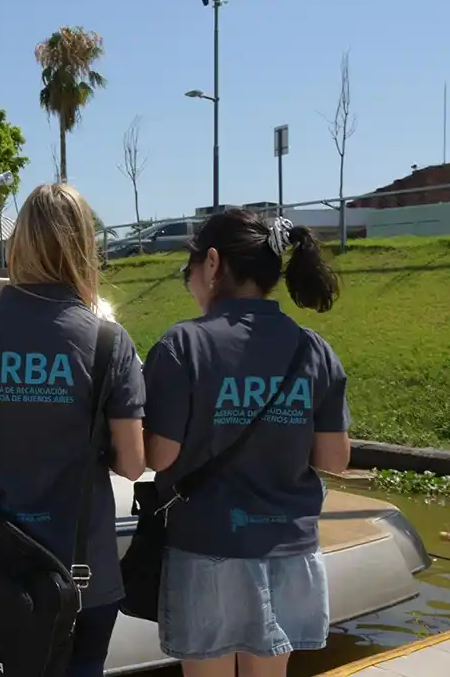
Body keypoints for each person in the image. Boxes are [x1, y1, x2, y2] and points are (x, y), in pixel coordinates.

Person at [0, 183, 148, 677]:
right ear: (83, 246)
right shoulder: (107, 339)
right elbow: (134, 462)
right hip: (81, 567)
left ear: (20, 243)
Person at [142, 210, 351, 677]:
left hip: (207, 545)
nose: (190, 282)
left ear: (212, 264)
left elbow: (160, 457)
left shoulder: (183, 345)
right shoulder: (312, 349)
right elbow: (335, 459)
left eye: (188, 272)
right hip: (290, 549)